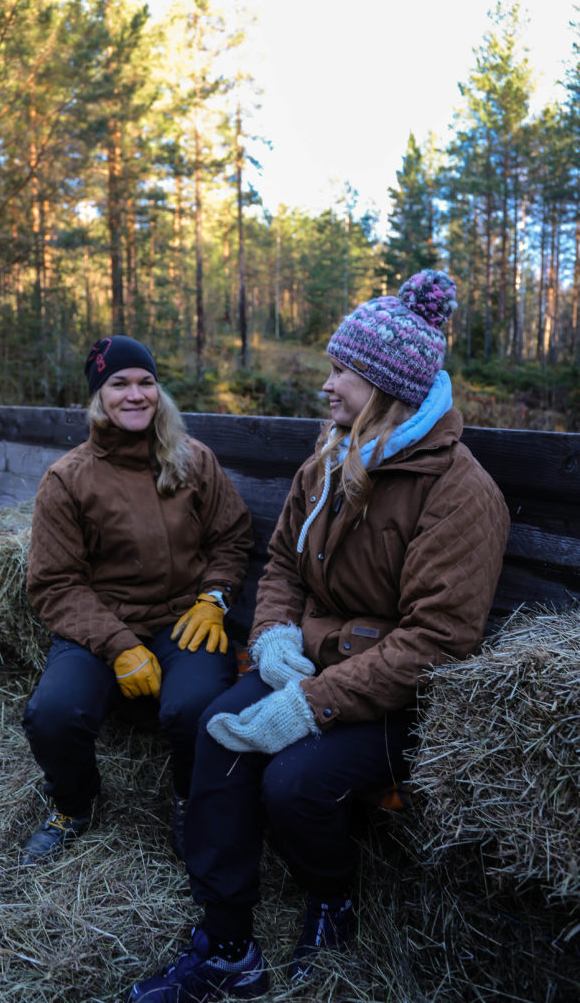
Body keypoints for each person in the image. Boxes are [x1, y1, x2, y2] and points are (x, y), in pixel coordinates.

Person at [126, 270, 511, 1002]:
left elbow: (436, 639)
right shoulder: (329, 459)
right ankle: (226, 941)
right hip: (302, 664)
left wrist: (311, 706)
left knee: (294, 778)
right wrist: (271, 639)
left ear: (386, 385)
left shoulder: (457, 490)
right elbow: (281, 564)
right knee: (216, 728)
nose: (325, 385)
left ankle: (332, 895)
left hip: (398, 696)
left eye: (342, 372)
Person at [20, 335, 253, 866]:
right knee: (53, 713)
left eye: (145, 382)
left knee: (196, 709)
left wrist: (214, 599)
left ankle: (190, 800)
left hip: (183, 621)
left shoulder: (194, 460)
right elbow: (54, 582)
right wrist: (119, 645)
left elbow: (232, 537)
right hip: (102, 625)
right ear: (98, 398)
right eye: (118, 383)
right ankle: (73, 804)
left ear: (159, 392)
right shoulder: (67, 478)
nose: (135, 394)